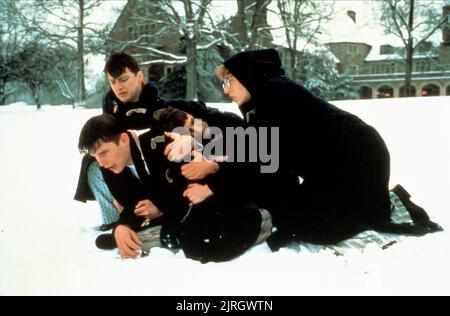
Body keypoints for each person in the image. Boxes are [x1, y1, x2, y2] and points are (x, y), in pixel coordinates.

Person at [169, 48, 441, 251]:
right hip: (339, 165)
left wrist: (215, 184)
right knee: (290, 209)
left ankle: (385, 205)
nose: (225, 90)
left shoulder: (273, 98)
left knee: (308, 224)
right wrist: (204, 142)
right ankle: (378, 204)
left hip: (355, 162)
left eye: (229, 81)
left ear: (247, 77)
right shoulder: (265, 99)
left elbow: (261, 157)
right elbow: (256, 148)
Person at [78, 114, 272, 263]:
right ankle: (167, 234)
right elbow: (134, 205)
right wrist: (122, 226)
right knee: (191, 239)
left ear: (124, 139)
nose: (101, 163)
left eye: (104, 153)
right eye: (96, 157)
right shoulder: (111, 167)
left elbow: (184, 187)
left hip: (218, 190)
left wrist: (160, 207)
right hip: (179, 211)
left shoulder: (159, 142)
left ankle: (257, 221)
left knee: (200, 243)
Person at [74, 52, 206, 231]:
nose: (119, 87)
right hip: (132, 174)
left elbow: (205, 119)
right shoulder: (112, 116)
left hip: (167, 174)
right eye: (113, 82)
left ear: (139, 76)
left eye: (124, 79)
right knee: (94, 163)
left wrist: (190, 136)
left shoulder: (162, 107)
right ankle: (117, 219)